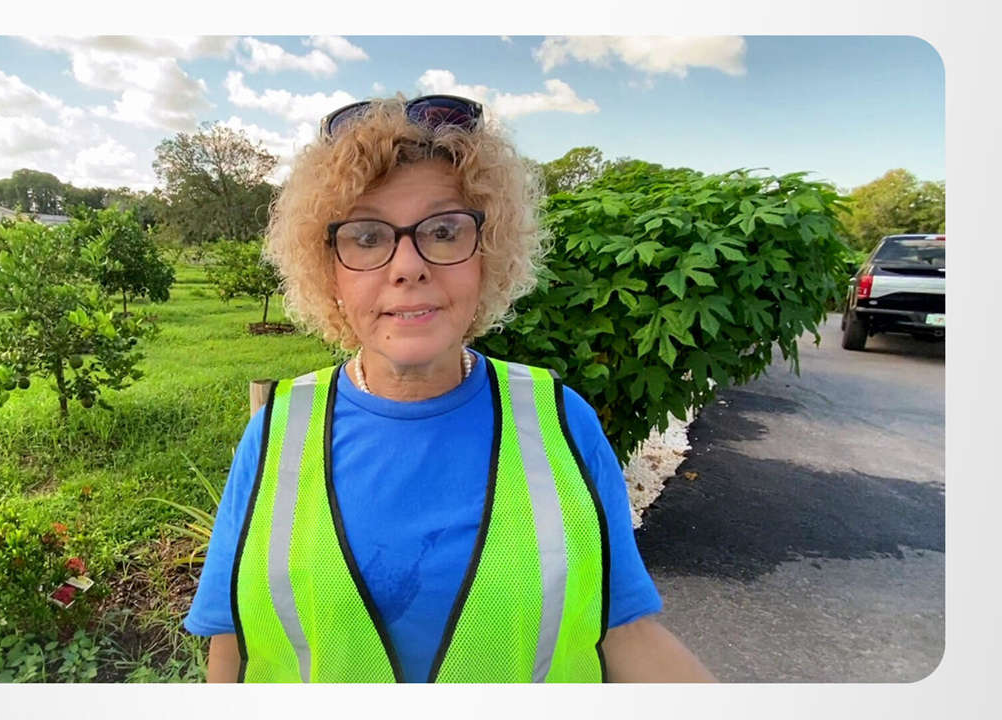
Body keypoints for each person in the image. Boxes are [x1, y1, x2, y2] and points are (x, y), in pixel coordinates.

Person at [183, 94, 714, 683]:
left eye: (442, 230)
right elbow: (234, 643)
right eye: (367, 237)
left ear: (488, 255)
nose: (407, 266)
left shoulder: (562, 423)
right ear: (328, 270)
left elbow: (623, 632)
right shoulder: (276, 432)